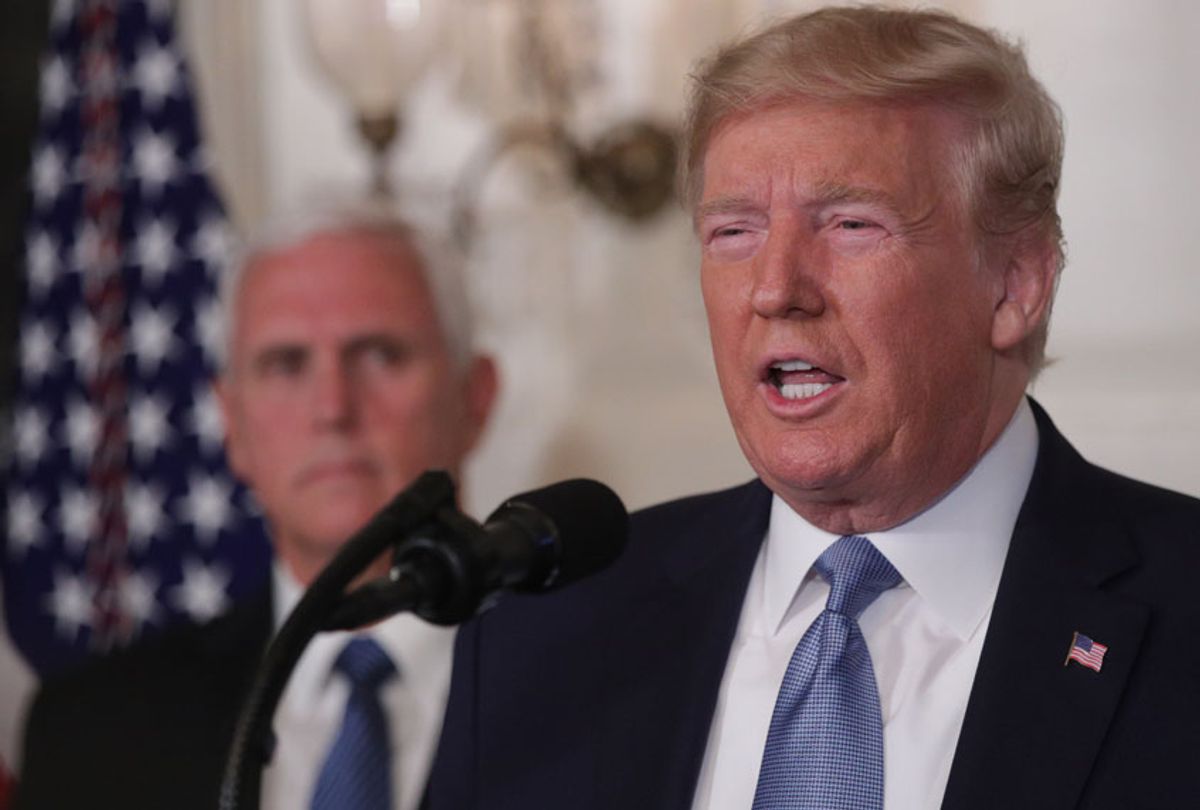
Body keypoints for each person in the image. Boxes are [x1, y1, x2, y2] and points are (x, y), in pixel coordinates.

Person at [426, 7, 1200, 810]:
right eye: (734, 231)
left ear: (1015, 284)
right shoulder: (544, 634)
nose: (775, 288)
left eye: (850, 224)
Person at [16, 206, 499, 810]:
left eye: (380, 354)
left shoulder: (612, 682)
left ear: (474, 398)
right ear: (232, 424)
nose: (333, 409)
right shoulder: (92, 734)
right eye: (286, 364)